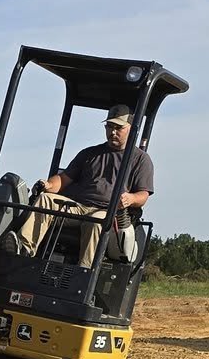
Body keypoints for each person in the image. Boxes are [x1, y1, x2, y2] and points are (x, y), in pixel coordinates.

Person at [9, 104, 154, 268]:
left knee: (97, 220)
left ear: (131, 129)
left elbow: (143, 195)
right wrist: (48, 184)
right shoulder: (89, 153)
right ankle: (24, 249)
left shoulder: (140, 160)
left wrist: (131, 198)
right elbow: (63, 179)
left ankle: (84, 270)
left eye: (118, 128)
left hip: (106, 212)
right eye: (109, 126)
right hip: (76, 207)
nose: (112, 131)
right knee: (45, 199)